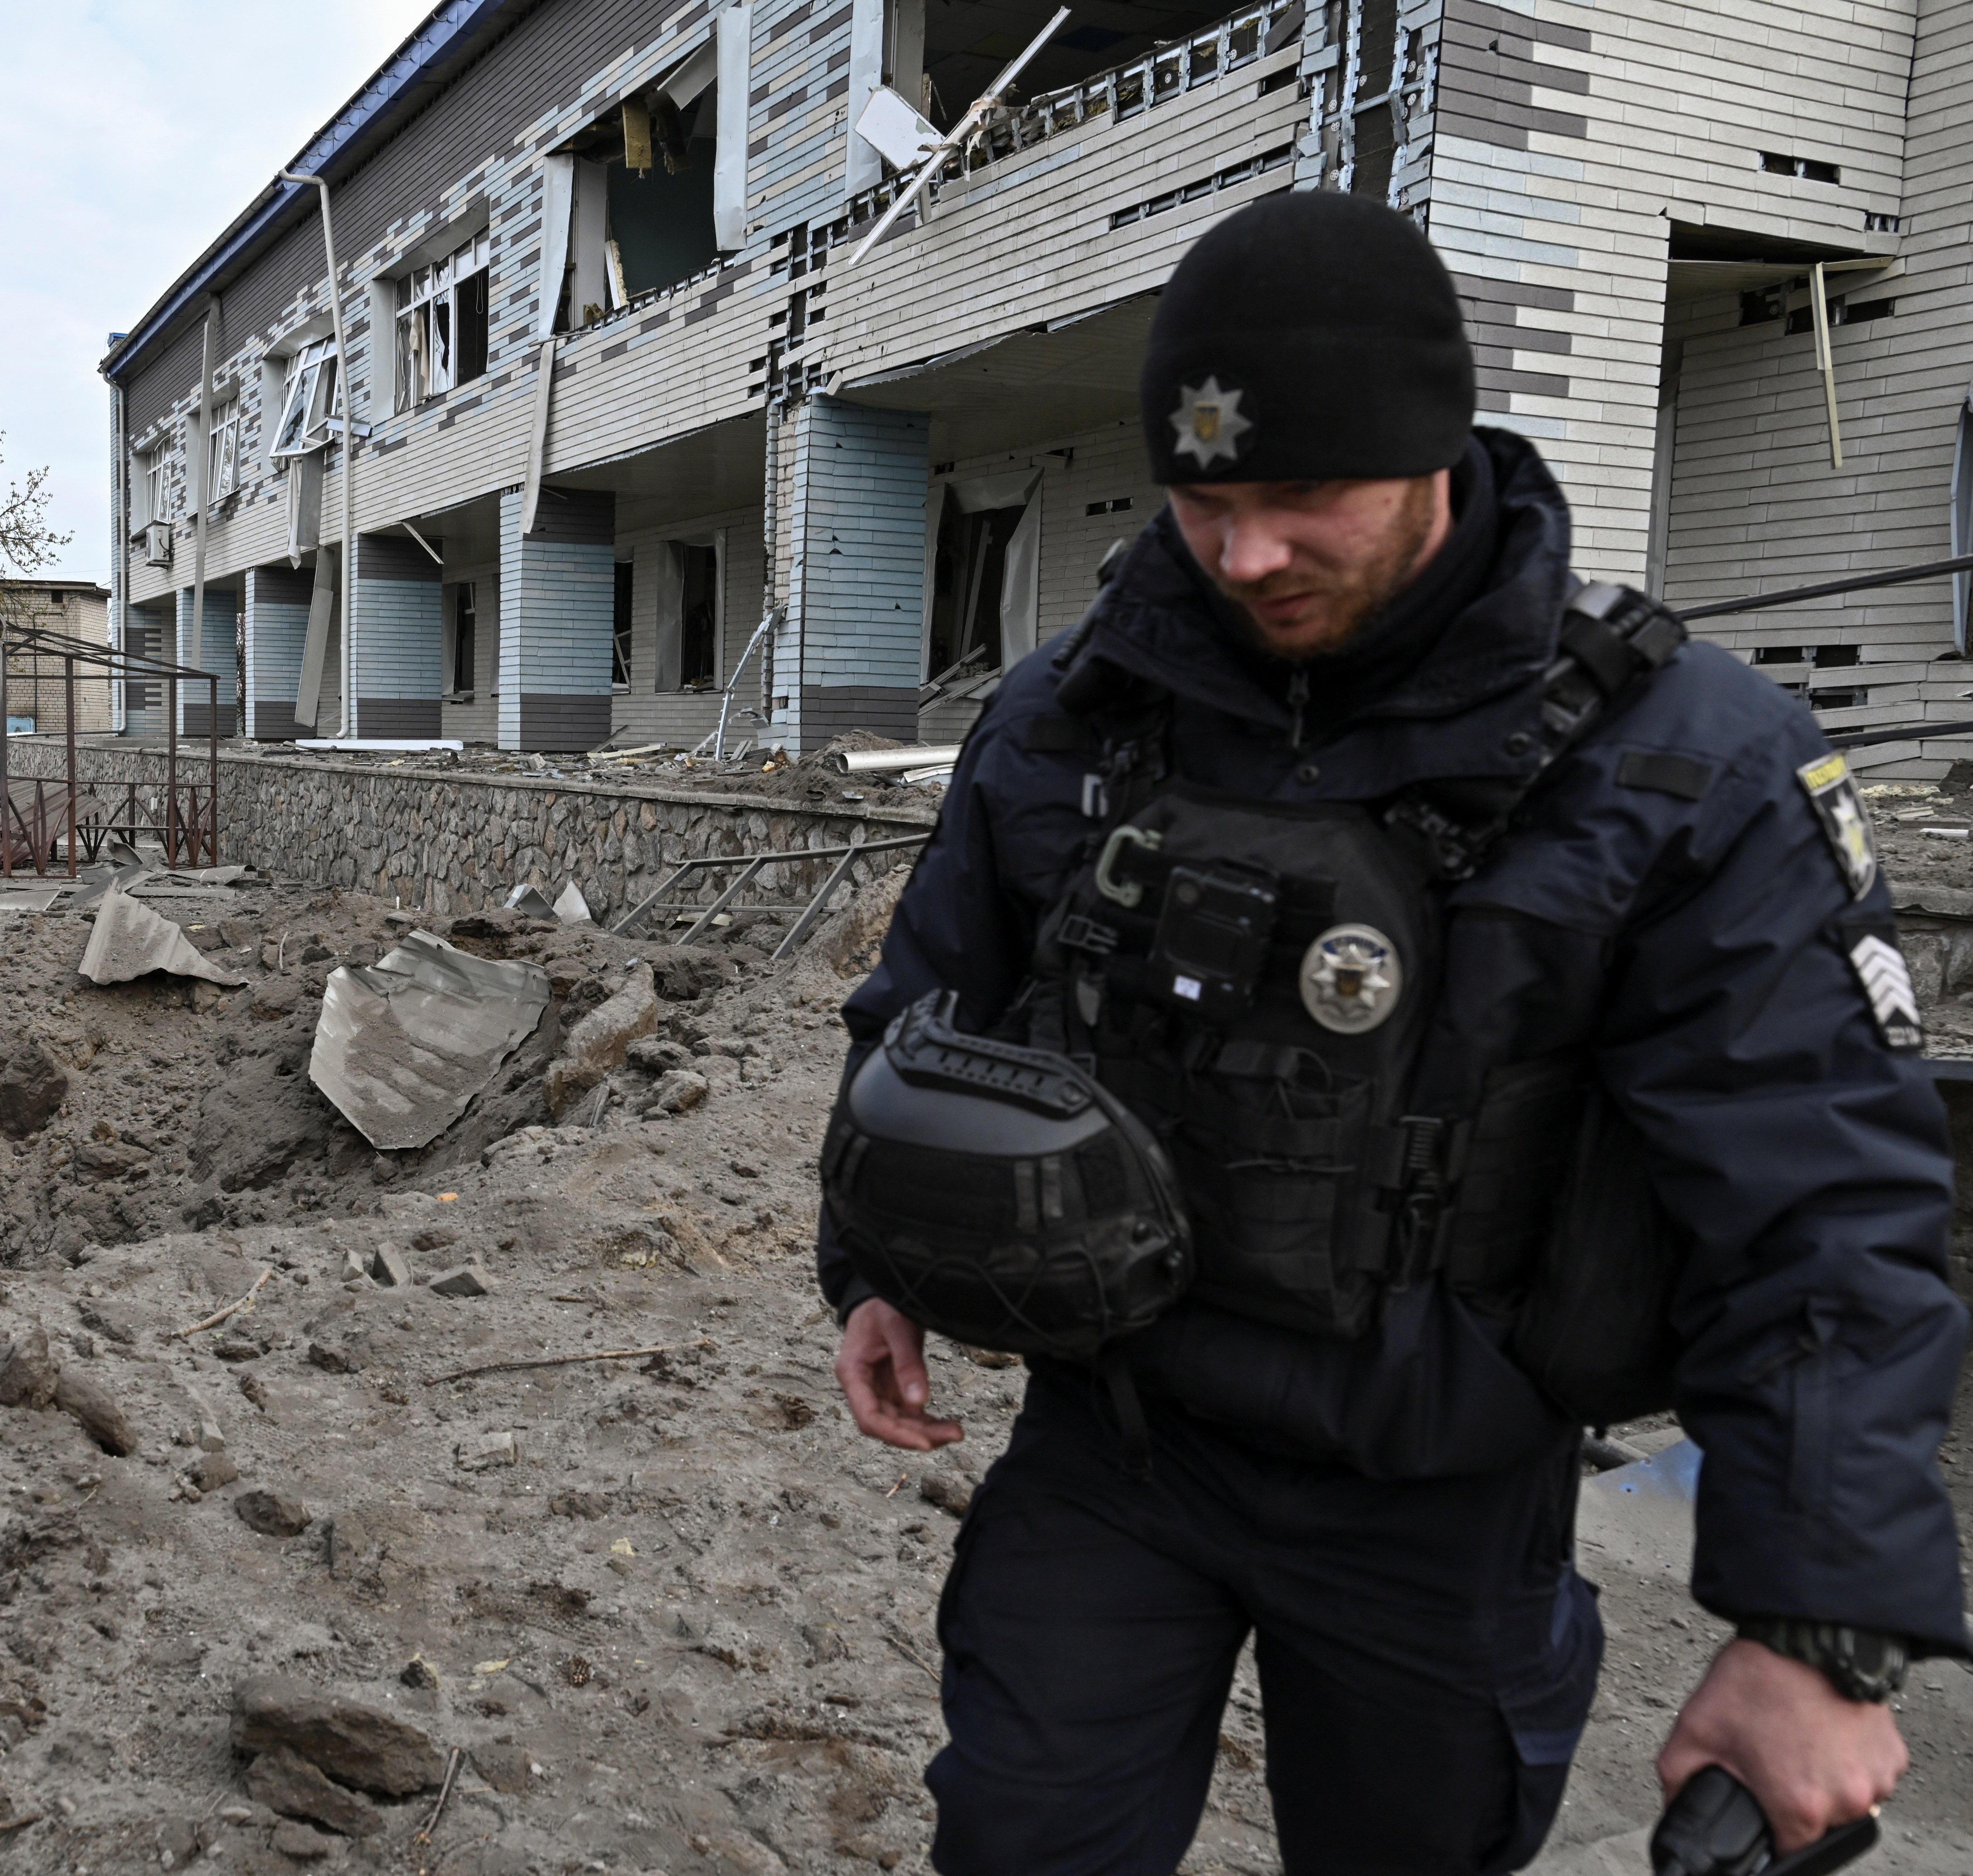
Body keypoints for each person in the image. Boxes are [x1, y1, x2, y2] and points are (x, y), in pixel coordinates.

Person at [817, 191, 1968, 1875]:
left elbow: (1824, 1197)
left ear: (1440, 455)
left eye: (1303, 498)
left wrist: (1818, 1631)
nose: (1247, 555)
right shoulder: (1072, 715)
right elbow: (923, 1011)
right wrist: (872, 1262)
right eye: (1207, 503)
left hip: (1439, 1497)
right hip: (1120, 1449)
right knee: (1021, 1842)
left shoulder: (1679, 767)